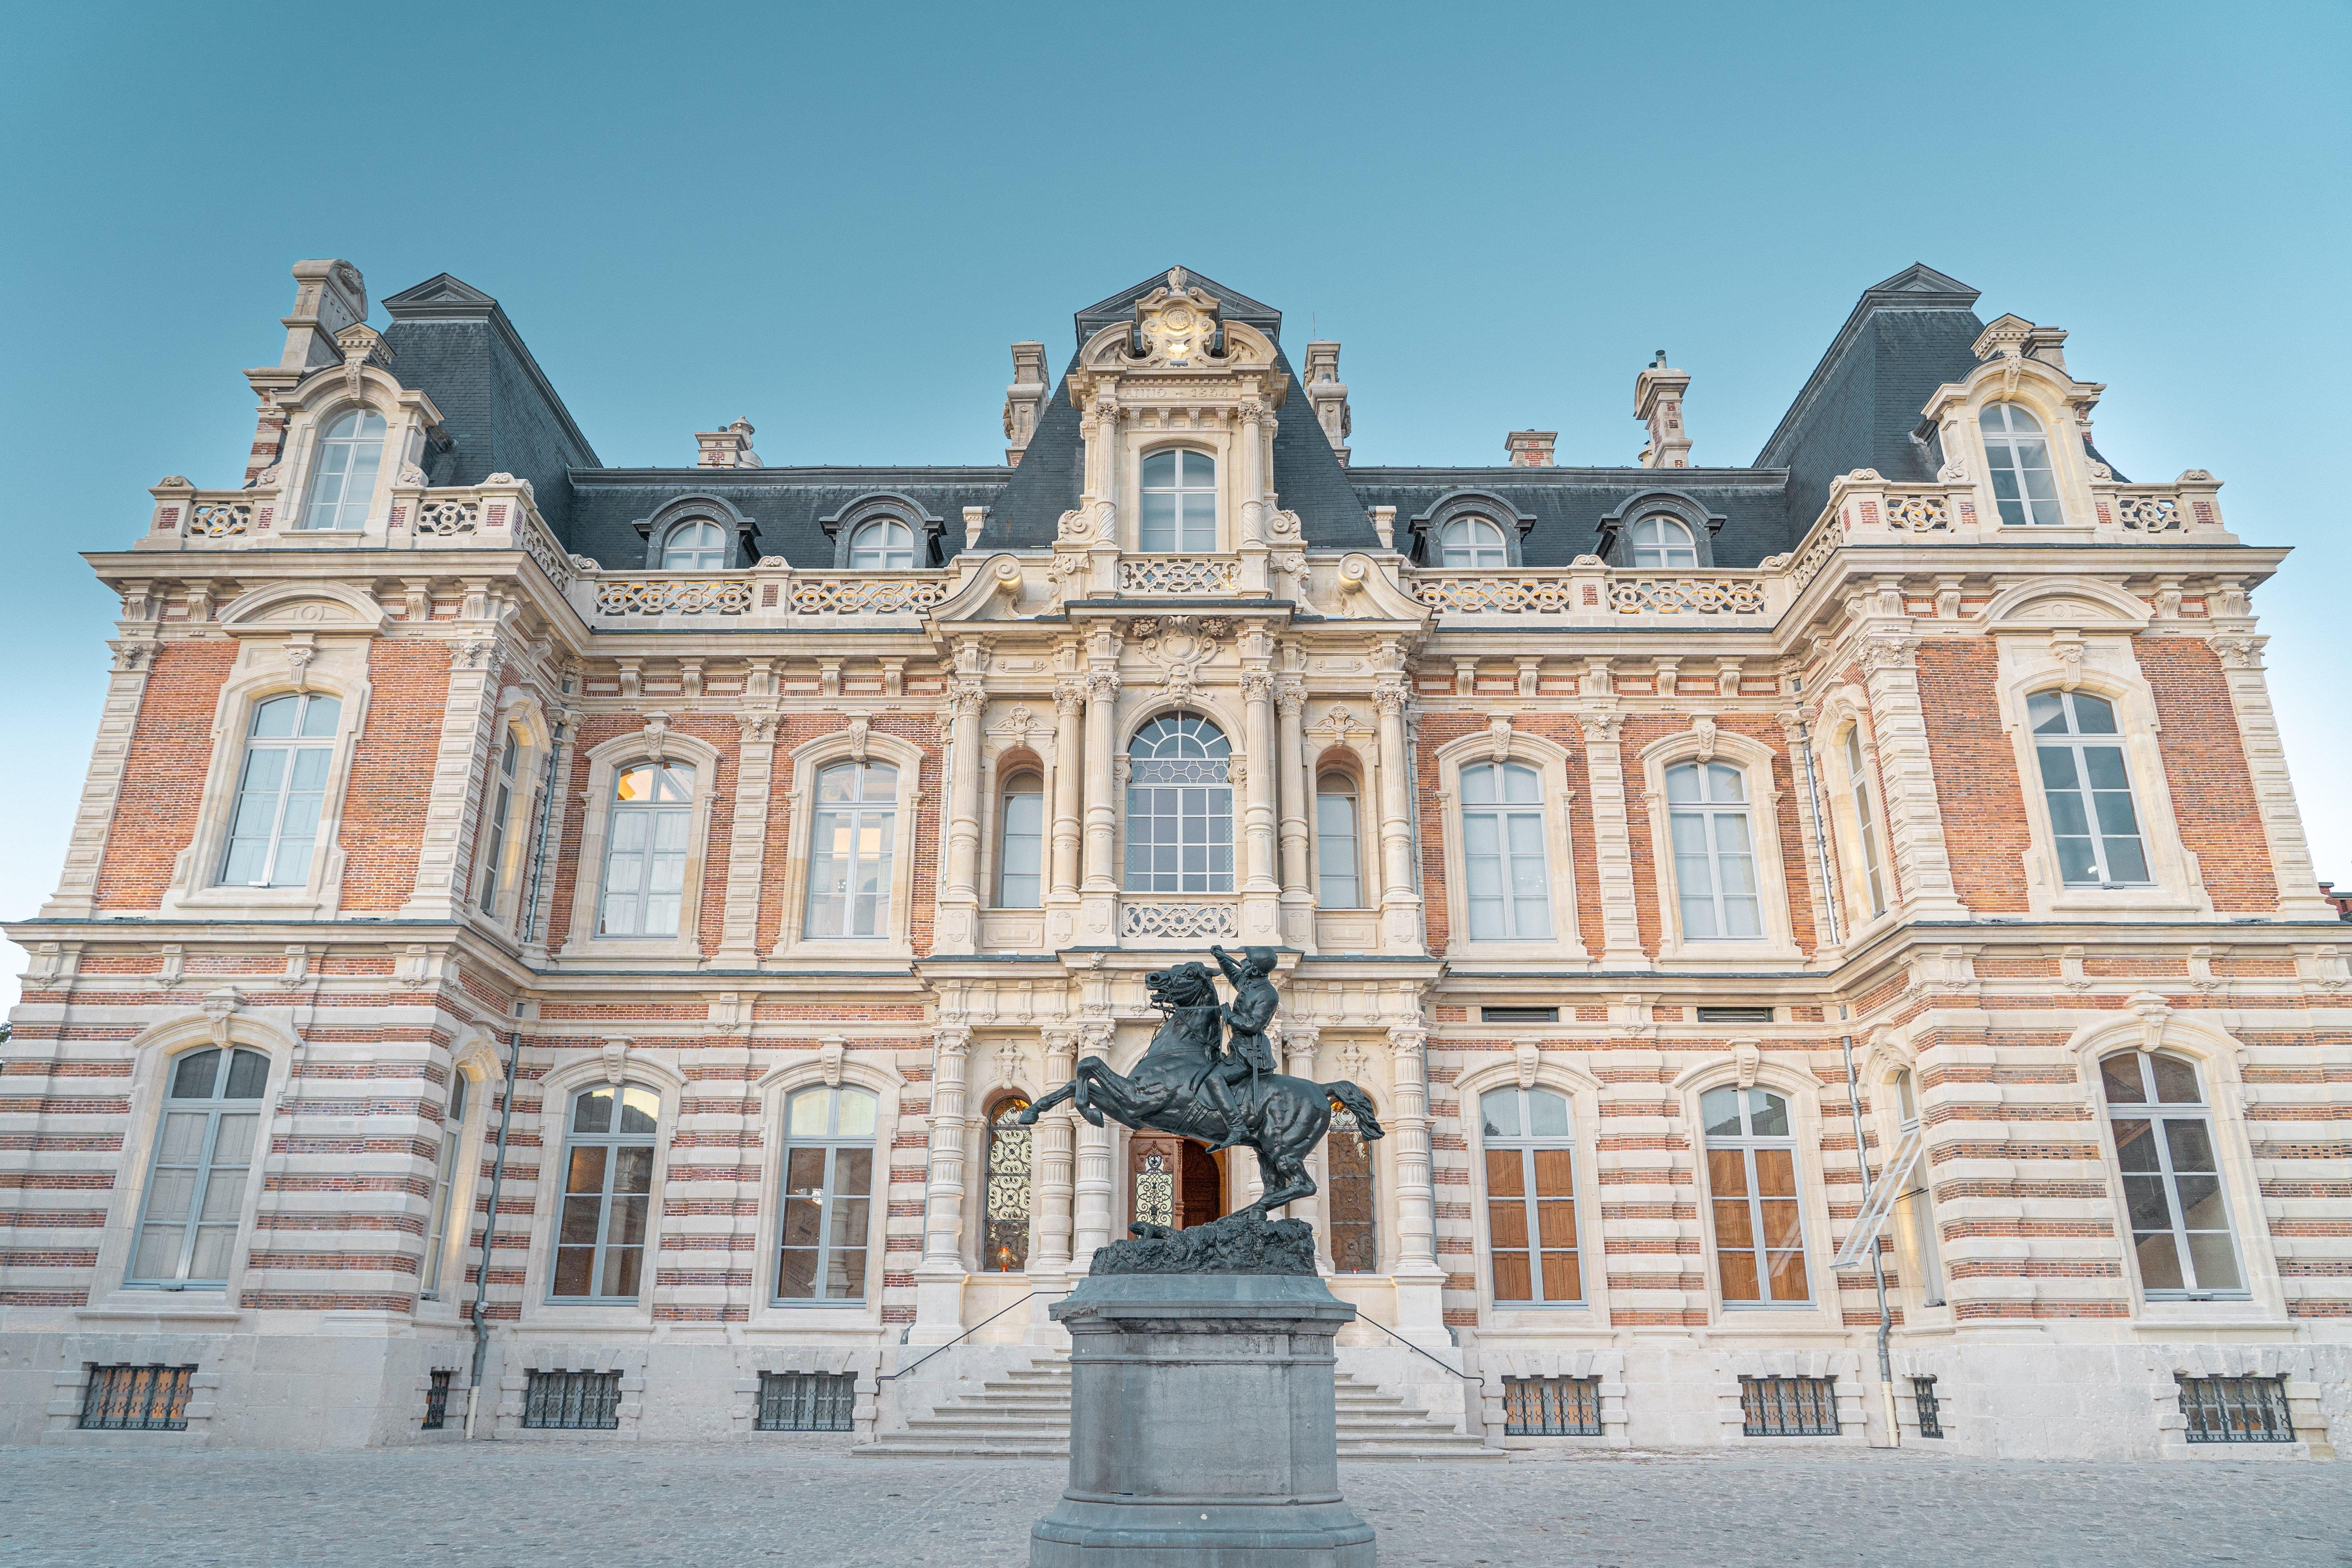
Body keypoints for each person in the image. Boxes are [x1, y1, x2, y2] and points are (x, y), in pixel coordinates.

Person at [1206, 945, 1279, 1151]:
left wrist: (1230, 1016)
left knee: (1215, 1079)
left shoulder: (1268, 994)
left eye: (1247, 961)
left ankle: (1238, 1129)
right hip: (1237, 1048)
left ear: (1255, 969)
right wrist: (1221, 957)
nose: (1243, 963)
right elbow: (1234, 976)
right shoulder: (1251, 982)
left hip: (1250, 1053)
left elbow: (1254, 1025)